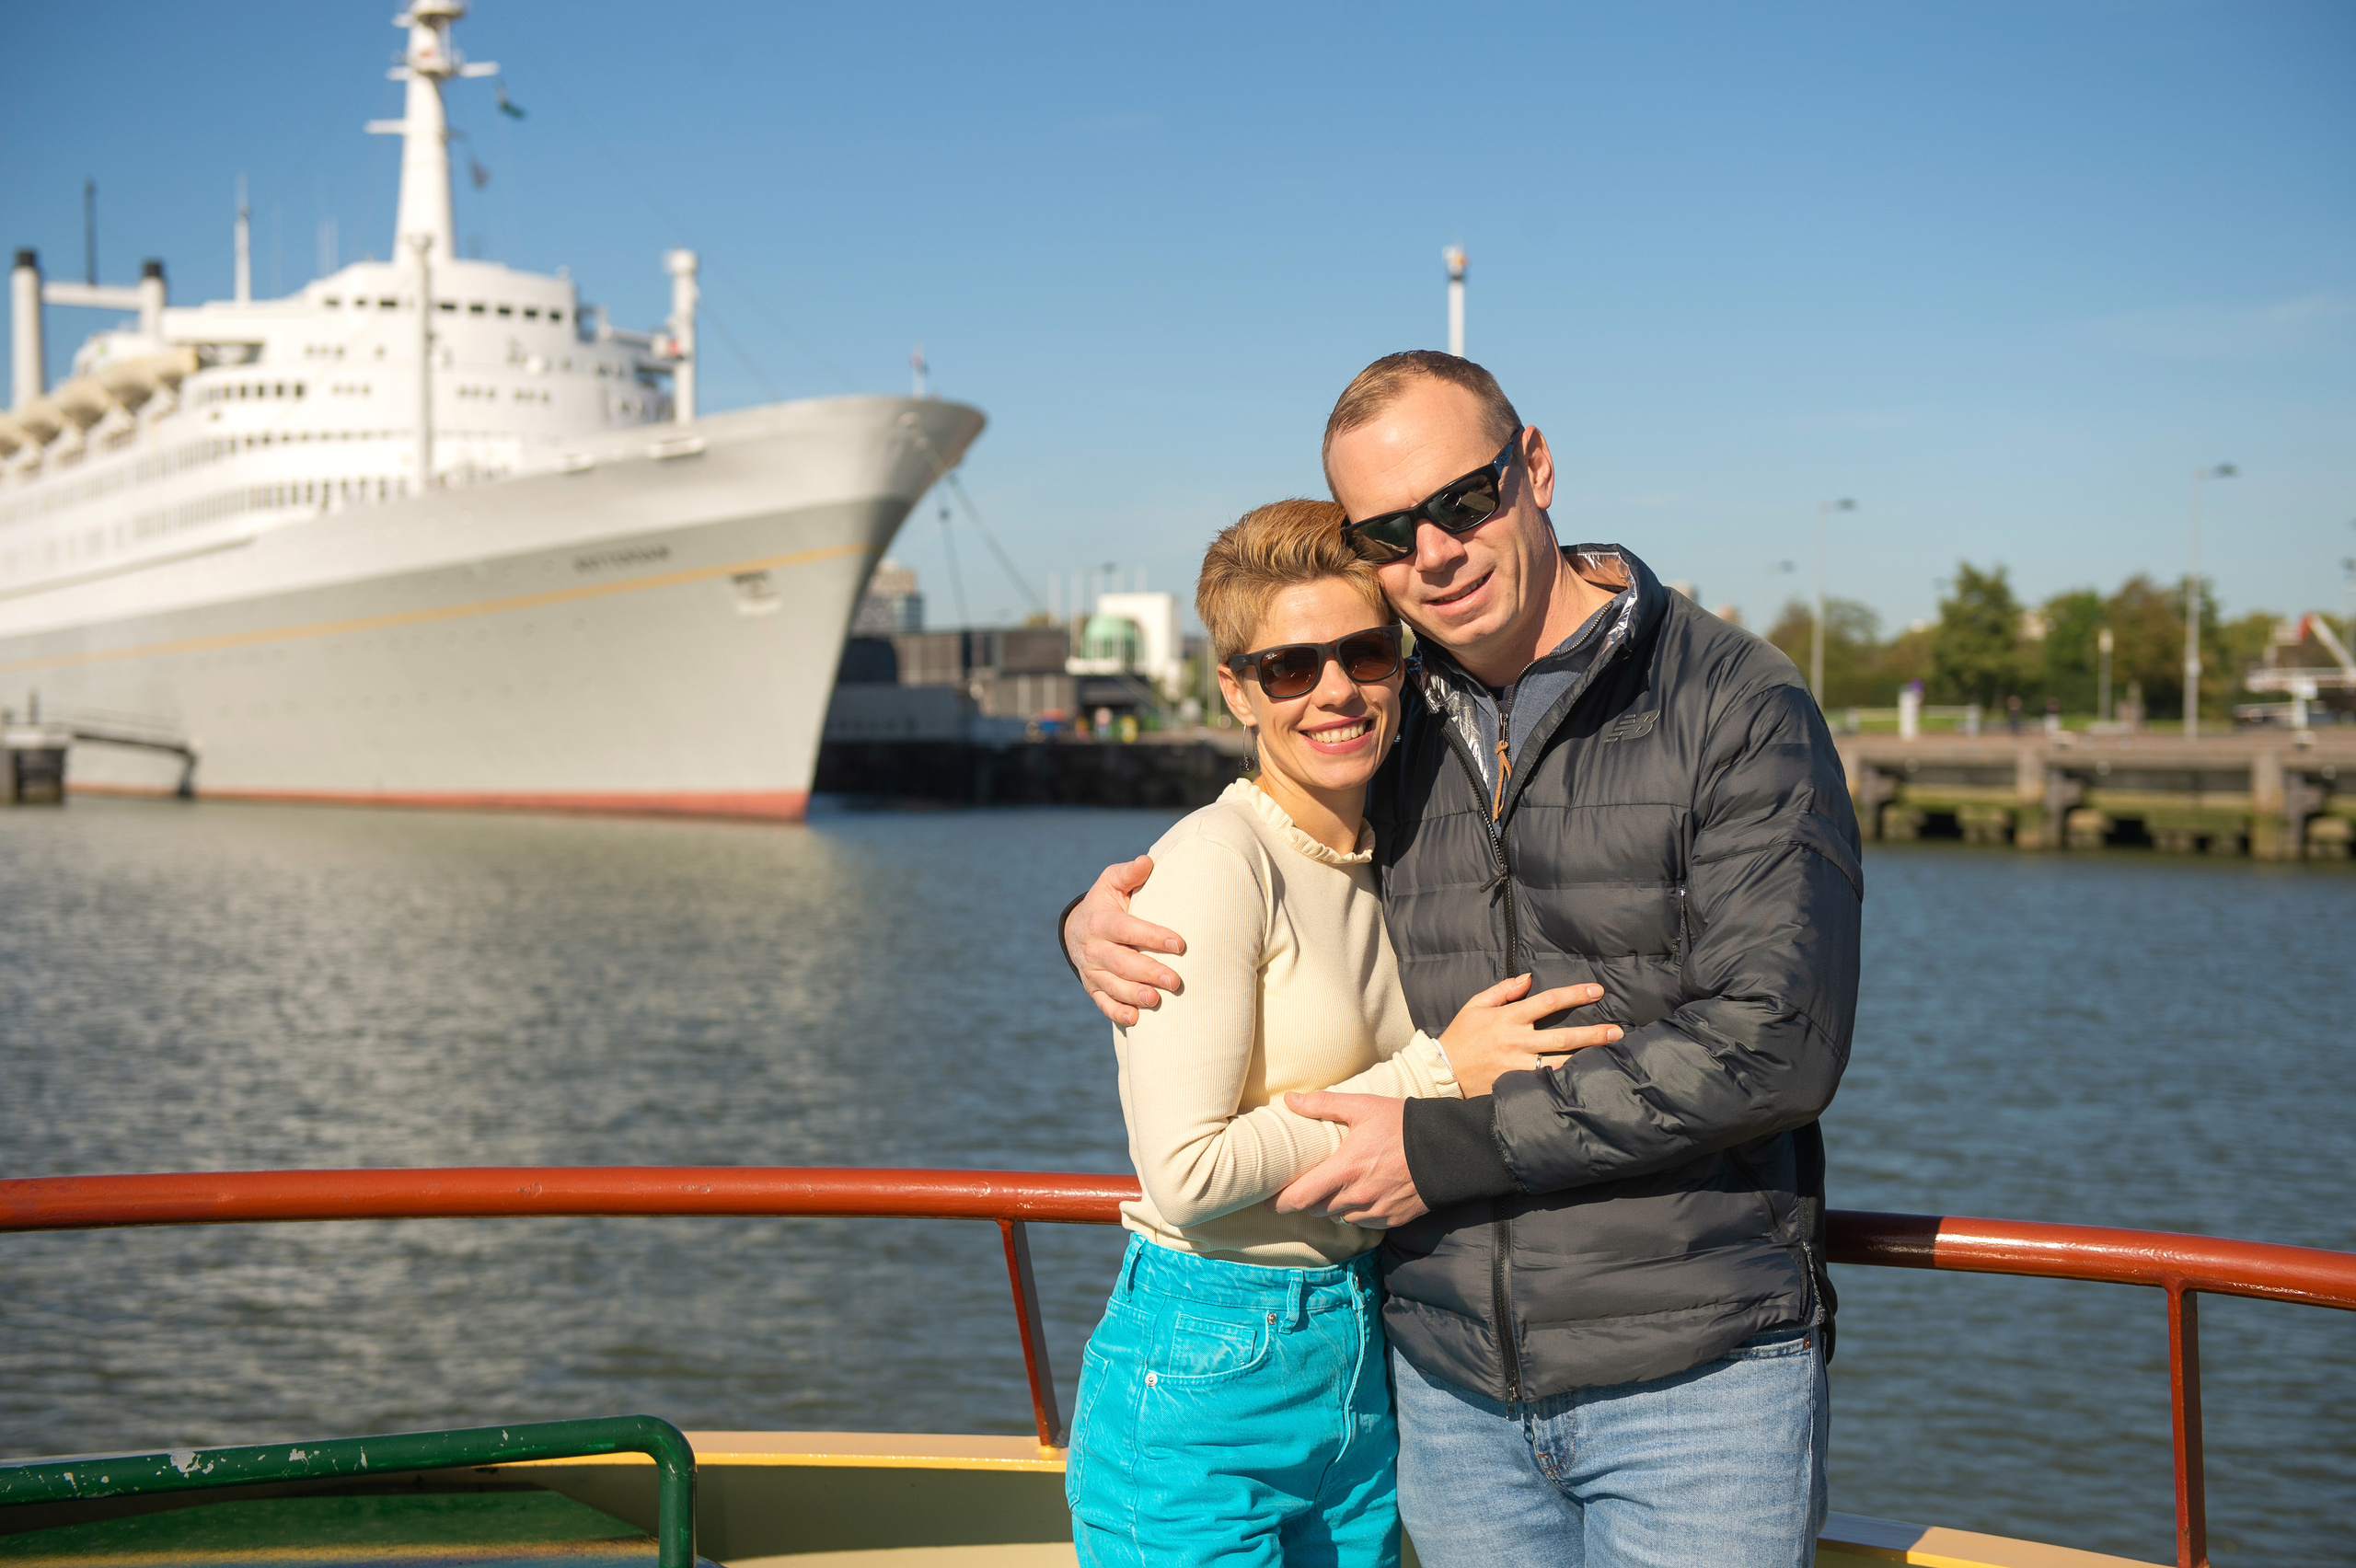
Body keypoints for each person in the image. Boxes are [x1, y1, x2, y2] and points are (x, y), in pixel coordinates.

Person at [1064, 352, 1864, 1567]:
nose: (1434, 550)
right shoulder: (1391, 705)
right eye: (1389, 531)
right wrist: (1086, 919)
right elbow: (1251, 843)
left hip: (1689, 1372)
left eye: (1464, 500)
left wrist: (1446, 1133)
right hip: (1439, 1385)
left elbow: (1775, 1042)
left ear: (1533, 467)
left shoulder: (1731, 702)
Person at [1064, 499, 1624, 1568]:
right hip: (1207, 1357)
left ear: (1401, 666)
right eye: (1287, 667)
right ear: (1234, 688)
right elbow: (1183, 1174)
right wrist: (1433, 1072)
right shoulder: (1219, 863)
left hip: (1361, 1347)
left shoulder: (1399, 852)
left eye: (1363, 653)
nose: (1334, 691)